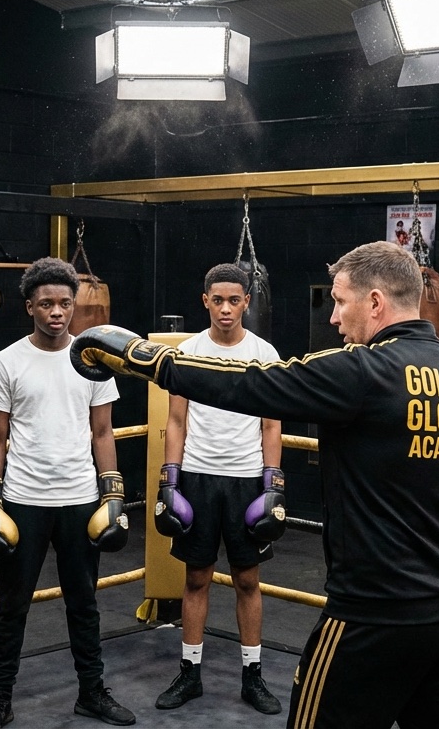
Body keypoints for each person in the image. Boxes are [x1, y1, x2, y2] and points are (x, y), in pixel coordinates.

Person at [69, 241, 439, 728]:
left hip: (372, 615)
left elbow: (253, 384)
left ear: (376, 302)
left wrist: (145, 359)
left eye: (341, 302)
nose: (336, 318)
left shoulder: (363, 370)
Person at [0, 257, 134, 728]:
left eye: (65, 302)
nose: (57, 312)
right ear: (30, 307)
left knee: (84, 603)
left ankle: (91, 692)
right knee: (12, 606)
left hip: (80, 499)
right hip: (23, 500)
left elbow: (103, 433)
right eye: (47, 304)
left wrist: (113, 495)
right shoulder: (8, 361)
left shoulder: (94, 359)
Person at [154, 263, 284, 716]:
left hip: (247, 478)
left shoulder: (263, 352)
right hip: (197, 475)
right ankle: (190, 673)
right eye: (218, 300)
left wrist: (273, 483)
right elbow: (176, 418)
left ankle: (253, 676)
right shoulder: (187, 351)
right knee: (196, 577)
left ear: (247, 301)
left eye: (235, 300)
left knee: (248, 579)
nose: (226, 309)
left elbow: (272, 423)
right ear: (205, 300)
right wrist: (169, 478)